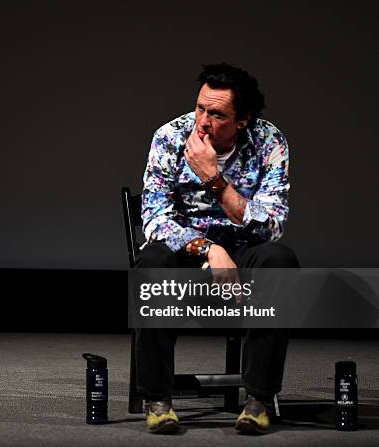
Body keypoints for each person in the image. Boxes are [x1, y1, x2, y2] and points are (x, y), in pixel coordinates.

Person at [136, 62, 300, 435]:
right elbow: (155, 219)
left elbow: (270, 225)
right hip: (184, 249)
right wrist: (209, 249)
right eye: (199, 108)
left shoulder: (269, 143)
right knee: (151, 260)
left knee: (280, 260)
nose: (203, 122)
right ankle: (157, 397)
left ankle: (258, 398)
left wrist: (214, 178)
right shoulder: (170, 137)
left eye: (216, 114)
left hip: (244, 248)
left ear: (243, 120)